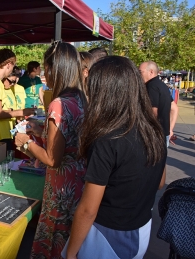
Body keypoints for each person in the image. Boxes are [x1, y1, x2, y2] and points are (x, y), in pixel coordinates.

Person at [62, 56, 167, 259]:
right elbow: (160, 182)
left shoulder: (107, 139)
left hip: (109, 236)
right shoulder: (154, 130)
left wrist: (71, 252)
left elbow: (87, 210)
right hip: (142, 230)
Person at [14, 42, 86, 257]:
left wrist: (26, 143)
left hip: (61, 185)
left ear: (55, 69)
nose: (45, 74)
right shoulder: (81, 99)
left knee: (54, 238)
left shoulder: (59, 103)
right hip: (79, 180)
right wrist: (42, 130)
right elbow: (70, 139)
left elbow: (52, 158)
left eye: (46, 68)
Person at [0, 49, 35, 150]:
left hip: (2, 134)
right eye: (13, 66)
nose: (12, 70)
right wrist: (22, 112)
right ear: (9, 64)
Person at [139, 61, 179, 146]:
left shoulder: (151, 87)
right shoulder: (162, 85)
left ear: (151, 72)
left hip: (153, 136)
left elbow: (153, 112)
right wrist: (170, 129)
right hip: (164, 134)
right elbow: (174, 108)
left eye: (140, 72)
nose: (138, 75)